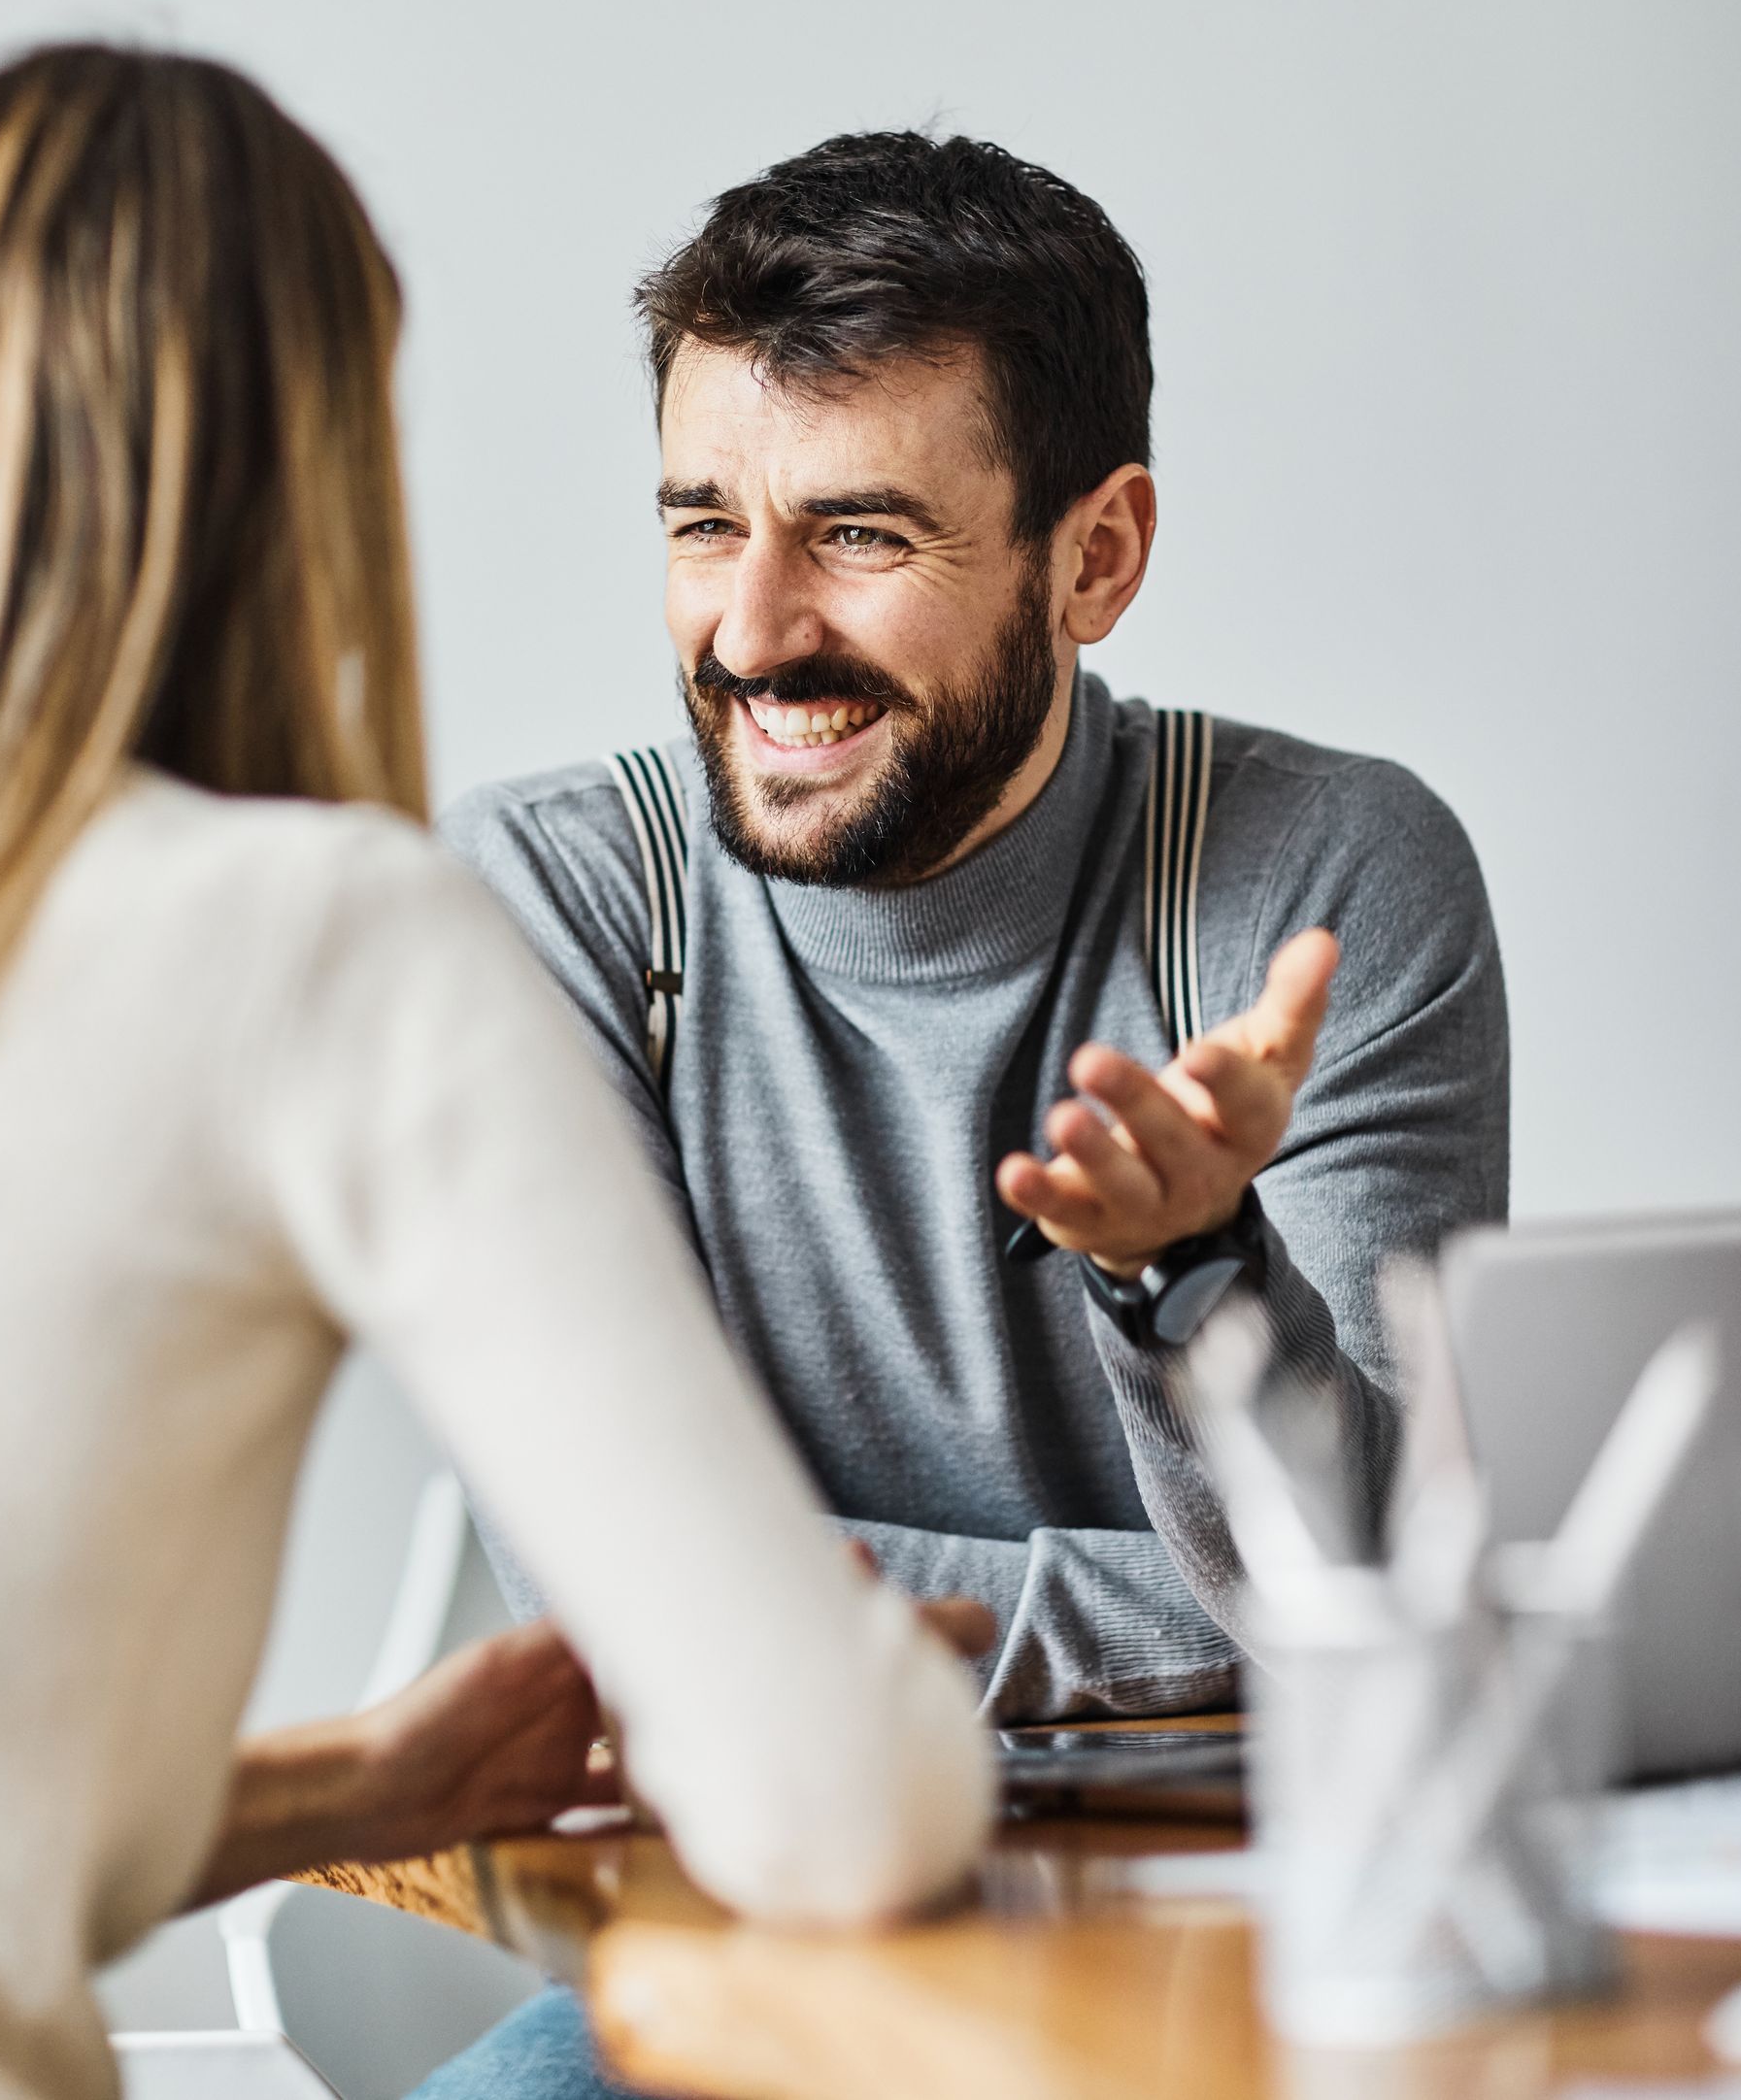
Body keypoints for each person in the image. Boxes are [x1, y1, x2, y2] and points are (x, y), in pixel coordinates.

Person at [0, 49, 993, 2100]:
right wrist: (885, 1693)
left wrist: (350, 1782)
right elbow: (832, 1808)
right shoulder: (325, 934)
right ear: (310, 457)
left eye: (853, 529)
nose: (760, 617)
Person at [421, 126, 1509, 2099]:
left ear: (1092, 557)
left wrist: (1196, 1277)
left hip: (1274, 1953)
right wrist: (1204, 1639)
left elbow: (1380, 1610)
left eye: (856, 535)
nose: (750, 633)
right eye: (699, 523)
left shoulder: (1318, 882)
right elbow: (645, 1624)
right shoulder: (554, 903)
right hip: (759, 1954)